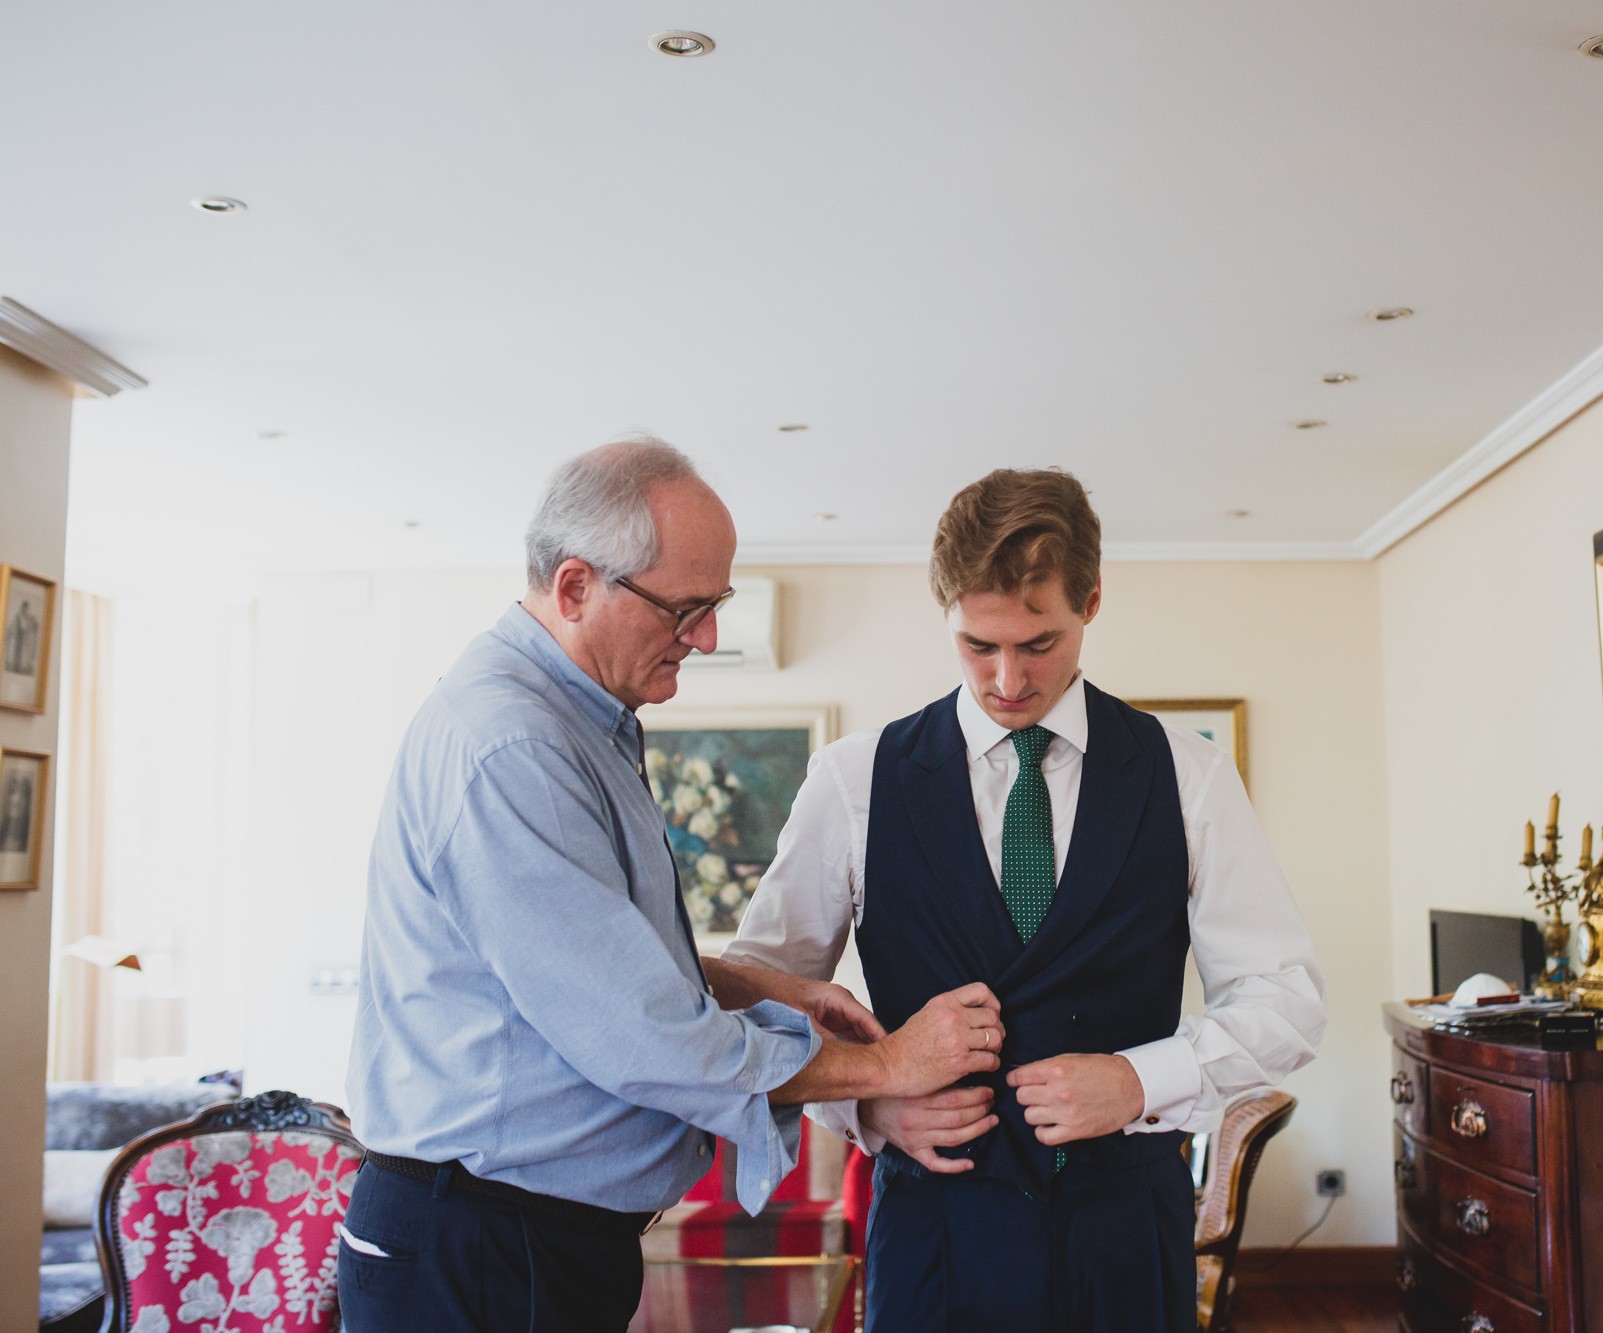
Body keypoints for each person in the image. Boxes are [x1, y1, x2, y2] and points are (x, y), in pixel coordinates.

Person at [342, 438, 1004, 1333]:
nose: (708, 636)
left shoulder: (580, 724)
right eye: (685, 608)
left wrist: (772, 986)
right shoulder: (515, 747)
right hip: (486, 1247)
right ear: (574, 586)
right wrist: (888, 1064)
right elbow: (640, 1032)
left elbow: (599, 958)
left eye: (716, 604)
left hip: (531, 1243)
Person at [726, 467, 1326, 1332]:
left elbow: (1288, 998)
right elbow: (757, 993)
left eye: (1039, 643)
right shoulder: (853, 780)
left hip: (1125, 1235)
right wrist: (866, 1098)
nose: (1007, 678)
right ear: (946, 616)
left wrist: (1136, 1078)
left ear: (1090, 601)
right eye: (978, 644)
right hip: (934, 1235)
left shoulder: (1187, 774)